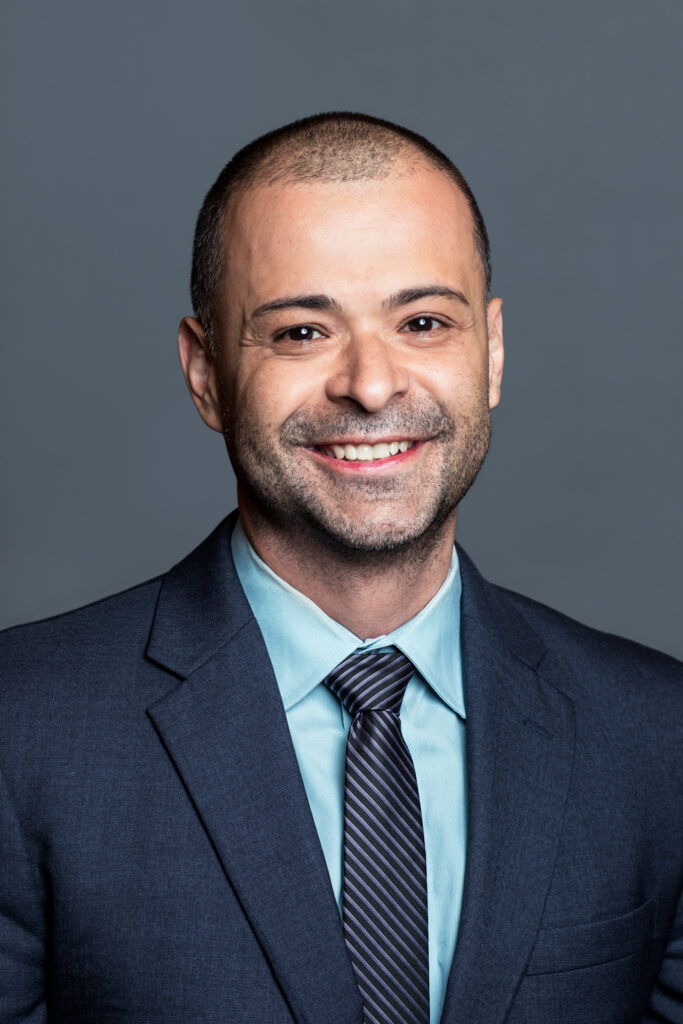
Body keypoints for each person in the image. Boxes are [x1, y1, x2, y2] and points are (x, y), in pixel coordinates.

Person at [0, 112, 681, 1024]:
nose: (370, 383)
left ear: (492, 351)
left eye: (423, 321)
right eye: (299, 333)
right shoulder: (23, 731)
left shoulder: (656, 737)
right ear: (205, 374)